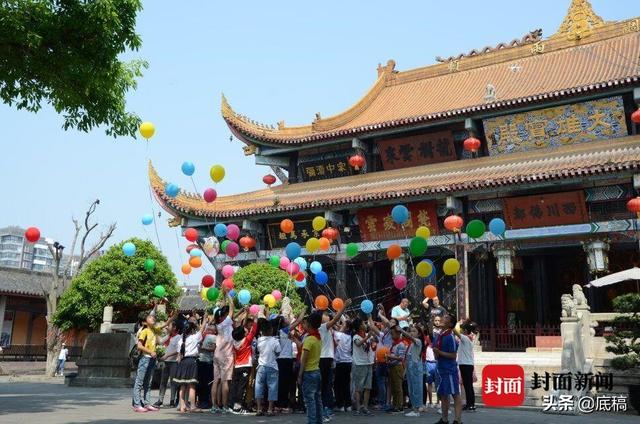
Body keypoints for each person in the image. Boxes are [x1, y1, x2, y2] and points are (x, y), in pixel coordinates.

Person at [318, 299, 350, 418]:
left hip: (328, 358)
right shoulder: (322, 327)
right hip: (324, 358)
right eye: (326, 315)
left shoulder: (327, 329)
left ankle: (326, 409)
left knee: (327, 384)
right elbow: (336, 319)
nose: (328, 317)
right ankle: (324, 410)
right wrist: (344, 307)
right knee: (325, 385)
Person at [174, 314, 208, 413]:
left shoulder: (181, 340)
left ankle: (182, 406)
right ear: (192, 330)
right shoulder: (194, 338)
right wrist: (204, 320)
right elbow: (201, 330)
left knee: (182, 385)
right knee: (192, 385)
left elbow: (179, 355)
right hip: (191, 362)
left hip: (183, 362)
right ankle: (193, 406)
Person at [432, 314, 462, 424]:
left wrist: (439, 353)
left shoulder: (450, 337)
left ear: (450, 324)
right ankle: (444, 419)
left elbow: (453, 355)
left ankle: (457, 420)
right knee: (444, 394)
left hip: (449, 370)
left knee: (455, 394)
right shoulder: (439, 335)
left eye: (446, 318)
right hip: (440, 369)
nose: (442, 318)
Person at [275, 308, 306, 413]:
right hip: (286, 360)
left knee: (281, 383)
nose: (288, 320)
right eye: (286, 319)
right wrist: (303, 310)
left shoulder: (277, 332)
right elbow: (298, 322)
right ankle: (282, 405)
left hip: (279, 360)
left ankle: (279, 404)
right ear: (283, 323)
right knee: (285, 383)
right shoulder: (284, 331)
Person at [132, 311, 161, 412]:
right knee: (139, 382)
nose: (152, 318)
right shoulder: (144, 331)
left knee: (148, 383)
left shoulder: (153, 331)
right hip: (145, 358)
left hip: (152, 359)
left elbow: (164, 325)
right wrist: (150, 352)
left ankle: (147, 403)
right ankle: (136, 404)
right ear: (145, 322)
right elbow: (139, 346)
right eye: (149, 318)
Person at [298, 311, 323, 424]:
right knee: (317, 400)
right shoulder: (317, 338)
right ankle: (319, 421)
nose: (304, 325)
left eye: (306, 323)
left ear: (309, 324)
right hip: (317, 371)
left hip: (308, 372)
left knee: (310, 401)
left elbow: (304, 359)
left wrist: (300, 375)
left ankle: (312, 422)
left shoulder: (309, 340)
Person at [230, 312, 258, 414]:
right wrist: (255, 319)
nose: (246, 331)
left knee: (235, 386)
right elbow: (254, 330)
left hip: (237, 366)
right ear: (242, 334)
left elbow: (240, 329)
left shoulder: (234, 342)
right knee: (241, 387)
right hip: (245, 367)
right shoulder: (246, 341)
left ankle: (231, 405)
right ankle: (238, 407)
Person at [211, 296, 235, 414]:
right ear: (224, 315)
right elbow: (232, 308)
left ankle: (215, 406)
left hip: (217, 354)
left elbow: (224, 309)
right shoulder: (226, 322)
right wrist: (228, 295)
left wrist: (224, 298)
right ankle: (225, 407)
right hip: (226, 355)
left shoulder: (219, 324)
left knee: (216, 381)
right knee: (225, 381)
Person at [351, 314, 378, 416]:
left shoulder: (367, 334)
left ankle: (365, 407)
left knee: (368, 387)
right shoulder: (356, 336)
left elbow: (372, 347)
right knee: (359, 388)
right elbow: (358, 344)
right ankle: (358, 408)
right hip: (360, 364)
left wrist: (373, 342)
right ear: (359, 326)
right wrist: (368, 337)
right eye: (362, 323)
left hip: (368, 363)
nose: (364, 324)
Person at [255, 318, 281, 416]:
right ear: (270, 330)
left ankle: (258, 409)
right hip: (272, 366)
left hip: (261, 366)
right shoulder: (275, 341)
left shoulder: (259, 340)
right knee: (272, 387)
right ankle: (270, 409)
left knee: (259, 387)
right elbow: (278, 352)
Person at [153, 321, 181, 408]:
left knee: (173, 382)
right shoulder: (168, 336)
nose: (167, 327)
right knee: (163, 381)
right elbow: (160, 342)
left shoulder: (178, 337)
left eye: (169, 326)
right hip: (165, 362)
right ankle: (160, 400)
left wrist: (168, 355)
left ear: (174, 328)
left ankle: (172, 400)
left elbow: (178, 350)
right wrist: (156, 331)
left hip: (174, 362)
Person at [398, 325, 425, 416]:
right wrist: (405, 371)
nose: (412, 333)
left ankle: (416, 409)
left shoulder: (418, 341)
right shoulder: (411, 344)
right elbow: (407, 359)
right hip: (410, 368)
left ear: (419, 334)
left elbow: (410, 337)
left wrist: (401, 330)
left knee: (416, 388)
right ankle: (414, 408)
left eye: (414, 331)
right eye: (411, 331)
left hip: (416, 368)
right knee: (411, 388)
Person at [456, 319, 477, 412]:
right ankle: (470, 404)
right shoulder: (468, 338)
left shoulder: (465, 338)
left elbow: (455, 332)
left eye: (462, 329)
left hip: (465, 365)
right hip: (466, 364)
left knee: (468, 386)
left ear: (465, 331)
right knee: (468, 385)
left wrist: (453, 324)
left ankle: (471, 404)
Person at [385, 326, 407, 413]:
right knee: (393, 387)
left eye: (393, 333)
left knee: (398, 387)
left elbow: (401, 358)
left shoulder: (401, 344)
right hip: (392, 366)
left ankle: (400, 406)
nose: (391, 335)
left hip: (398, 367)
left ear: (398, 333)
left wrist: (389, 357)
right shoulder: (394, 343)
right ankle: (395, 405)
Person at [333, 319, 352, 412]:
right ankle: (348, 405)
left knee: (338, 385)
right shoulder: (349, 336)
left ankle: (340, 405)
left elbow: (332, 328)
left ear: (347, 327)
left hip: (340, 363)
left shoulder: (338, 334)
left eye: (343, 324)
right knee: (346, 384)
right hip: (348, 362)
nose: (340, 325)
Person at [197, 320, 216, 409]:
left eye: (209, 329)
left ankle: (205, 401)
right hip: (202, 360)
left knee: (206, 382)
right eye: (207, 329)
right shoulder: (204, 336)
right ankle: (202, 401)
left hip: (207, 361)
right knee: (202, 382)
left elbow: (213, 348)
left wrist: (203, 348)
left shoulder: (213, 337)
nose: (207, 330)